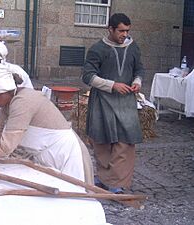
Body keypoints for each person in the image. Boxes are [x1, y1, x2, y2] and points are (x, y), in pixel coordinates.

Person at [0, 64, 94, 184]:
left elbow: (5, 147)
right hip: (47, 153)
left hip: (64, 155)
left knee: (70, 204)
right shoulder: (10, 101)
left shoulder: (23, 101)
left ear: (1, 92)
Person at [82, 13, 145, 194]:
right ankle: (103, 178)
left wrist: (137, 81)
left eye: (127, 31)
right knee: (102, 141)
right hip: (103, 100)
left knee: (125, 141)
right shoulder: (97, 49)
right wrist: (112, 85)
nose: (124, 34)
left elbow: (139, 68)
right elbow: (87, 76)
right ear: (110, 29)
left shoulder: (133, 48)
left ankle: (117, 181)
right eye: (121, 31)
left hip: (126, 102)